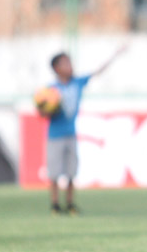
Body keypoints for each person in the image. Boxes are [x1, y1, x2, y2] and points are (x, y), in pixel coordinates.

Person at [41, 46, 126, 215]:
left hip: (71, 134)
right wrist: (50, 109)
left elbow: (97, 72)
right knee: (55, 173)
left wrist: (115, 54)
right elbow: (42, 112)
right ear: (57, 68)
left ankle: (70, 203)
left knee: (72, 171)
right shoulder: (50, 90)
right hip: (55, 135)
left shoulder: (77, 83)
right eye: (65, 63)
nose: (70, 66)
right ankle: (55, 205)